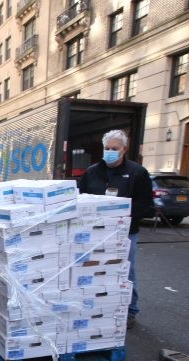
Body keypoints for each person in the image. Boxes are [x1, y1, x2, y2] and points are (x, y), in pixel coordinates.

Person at [77, 129, 153, 329]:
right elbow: (80, 199)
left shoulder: (137, 173)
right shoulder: (92, 172)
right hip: (95, 232)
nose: (110, 151)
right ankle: (98, 305)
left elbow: (145, 205)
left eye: (114, 148)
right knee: (95, 268)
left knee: (124, 270)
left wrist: (120, 214)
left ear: (124, 149)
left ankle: (129, 310)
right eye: (107, 148)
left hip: (124, 232)